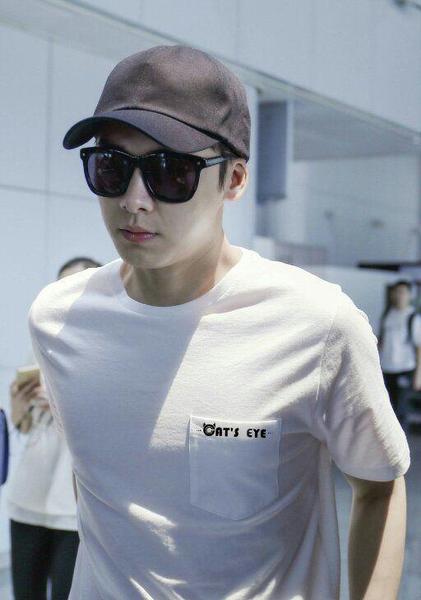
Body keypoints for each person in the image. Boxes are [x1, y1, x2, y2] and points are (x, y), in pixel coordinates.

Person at [28, 45, 410, 600]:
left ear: (234, 180)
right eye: (111, 166)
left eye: (171, 172)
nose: (135, 200)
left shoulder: (317, 324)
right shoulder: (59, 321)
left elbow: (379, 486)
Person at [7, 256, 101, 600]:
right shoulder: (42, 346)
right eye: (60, 285)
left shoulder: (108, 354)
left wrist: (60, 401)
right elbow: (23, 427)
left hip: (73, 508)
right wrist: (19, 404)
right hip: (27, 496)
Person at [378, 279, 421, 420]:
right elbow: (382, 342)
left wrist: (418, 375)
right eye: (396, 292)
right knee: (386, 408)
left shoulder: (413, 318)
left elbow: (419, 347)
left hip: (405, 368)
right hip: (387, 368)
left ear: (410, 295)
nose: (399, 295)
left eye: (402, 292)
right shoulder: (388, 315)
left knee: (400, 409)